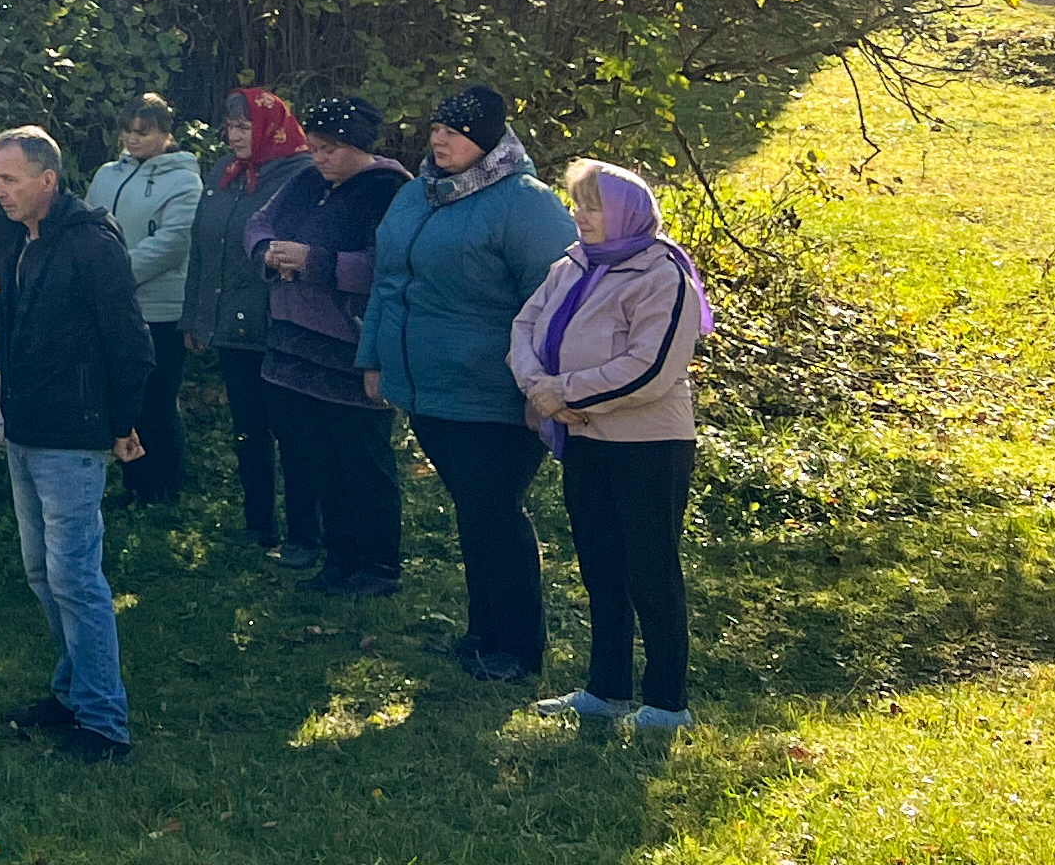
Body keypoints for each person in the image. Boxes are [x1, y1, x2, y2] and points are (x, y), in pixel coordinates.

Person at [363, 83, 578, 684]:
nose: (440, 140)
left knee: (494, 512)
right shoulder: (416, 195)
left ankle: (518, 646)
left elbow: (559, 301)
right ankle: (483, 634)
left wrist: (545, 388)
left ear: (485, 140)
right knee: (474, 515)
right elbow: (388, 282)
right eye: (436, 128)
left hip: (495, 393)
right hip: (430, 390)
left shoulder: (525, 203)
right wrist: (374, 359)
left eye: (455, 132)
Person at [512, 159, 713, 733]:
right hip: (584, 439)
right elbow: (525, 329)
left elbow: (650, 367)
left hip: (647, 445)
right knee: (600, 566)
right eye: (578, 204)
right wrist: (542, 392)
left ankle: (668, 702)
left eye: (592, 205)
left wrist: (564, 392)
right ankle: (607, 690)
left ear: (626, 212)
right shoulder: (571, 266)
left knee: (650, 569)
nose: (580, 216)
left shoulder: (663, 274)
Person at [0, 128, 151, 762]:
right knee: (42, 573)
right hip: (25, 430)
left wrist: (122, 423)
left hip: (74, 436)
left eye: (9, 180)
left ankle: (105, 723)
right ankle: (74, 691)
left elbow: (130, 342)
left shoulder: (90, 243)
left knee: (76, 577)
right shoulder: (19, 240)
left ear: (46, 180)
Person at [247, 95, 411, 597]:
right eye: (314, 147)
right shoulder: (305, 180)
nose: (318, 158)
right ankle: (339, 558)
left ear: (357, 146)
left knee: (361, 459)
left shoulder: (390, 189)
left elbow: (390, 265)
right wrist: (267, 251)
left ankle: (379, 564)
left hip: (349, 347)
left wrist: (315, 261)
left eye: (329, 149)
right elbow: (258, 223)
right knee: (317, 456)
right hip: (294, 346)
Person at [184, 88, 323, 560]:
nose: (236, 136)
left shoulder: (302, 174)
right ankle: (258, 522)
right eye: (231, 127)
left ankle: (305, 534)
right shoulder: (224, 173)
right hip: (232, 327)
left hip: (280, 325)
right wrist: (197, 316)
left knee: (295, 431)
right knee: (248, 428)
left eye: (245, 127)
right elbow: (203, 248)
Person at [92, 94, 202, 507]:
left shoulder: (184, 180)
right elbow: (91, 224)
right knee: (124, 398)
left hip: (160, 306)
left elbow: (173, 243)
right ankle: (133, 482)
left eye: (144, 132)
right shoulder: (106, 174)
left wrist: (115, 272)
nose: (133, 139)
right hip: (115, 305)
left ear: (165, 133)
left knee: (157, 399)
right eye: (127, 131)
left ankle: (165, 485)